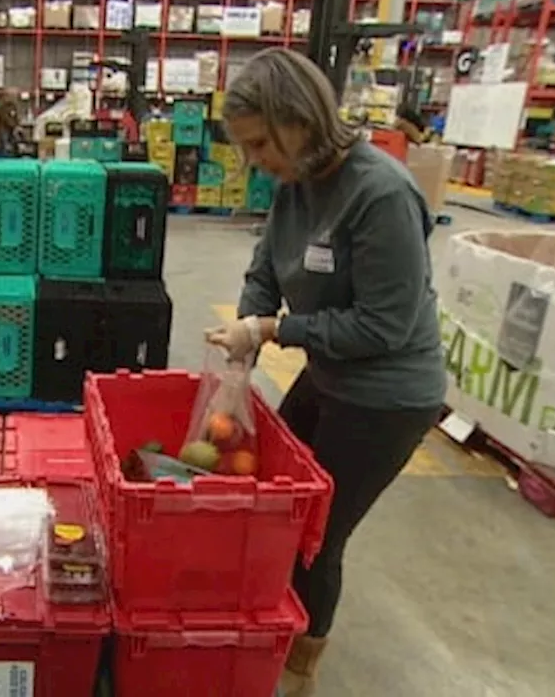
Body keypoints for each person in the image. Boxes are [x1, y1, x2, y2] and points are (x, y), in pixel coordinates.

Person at [206, 47, 445, 697]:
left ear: (299, 120)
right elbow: (266, 266)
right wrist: (247, 334)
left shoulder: (381, 194)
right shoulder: (297, 185)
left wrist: (275, 330)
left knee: (313, 537)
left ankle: (295, 673)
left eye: (261, 144)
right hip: (331, 376)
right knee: (272, 507)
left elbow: (382, 327)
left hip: (388, 397)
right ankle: (265, 633)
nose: (257, 161)